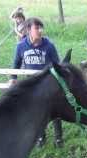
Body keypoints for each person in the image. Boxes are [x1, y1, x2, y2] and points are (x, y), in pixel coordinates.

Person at [8, 17, 64, 148]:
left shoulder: (49, 46)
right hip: (31, 84)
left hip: (47, 83)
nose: (40, 30)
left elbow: (57, 64)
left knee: (54, 109)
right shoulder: (21, 46)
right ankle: (40, 136)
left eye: (41, 27)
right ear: (28, 30)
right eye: (37, 28)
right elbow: (16, 63)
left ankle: (58, 138)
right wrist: (13, 77)